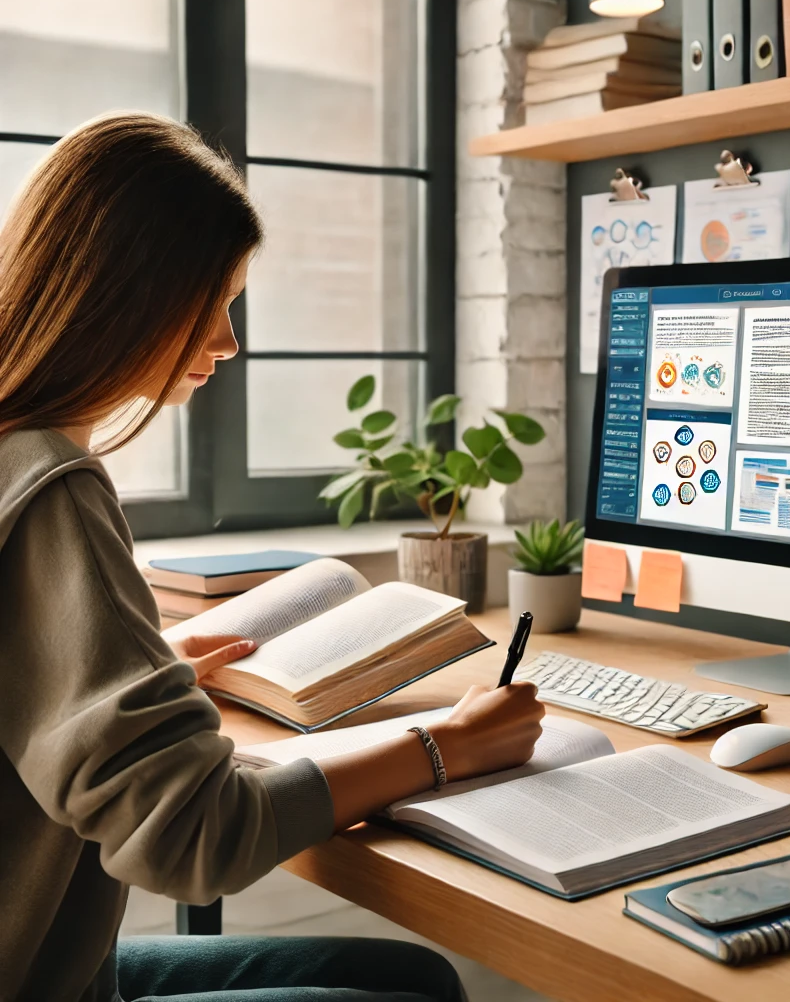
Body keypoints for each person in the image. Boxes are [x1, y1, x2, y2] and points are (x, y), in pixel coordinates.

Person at [0, 112, 545, 1002]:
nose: (227, 340)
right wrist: (442, 745)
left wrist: (143, 671)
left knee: (410, 977)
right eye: (210, 302)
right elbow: (195, 837)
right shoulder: (50, 486)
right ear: (128, 294)